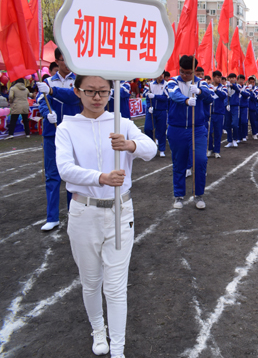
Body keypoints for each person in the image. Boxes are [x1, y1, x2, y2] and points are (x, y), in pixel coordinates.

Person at [55, 75, 156, 358]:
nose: (97, 97)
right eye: (90, 91)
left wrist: (130, 145)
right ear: (78, 92)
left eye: (103, 91)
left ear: (111, 92)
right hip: (84, 212)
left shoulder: (120, 123)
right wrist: (101, 177)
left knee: (115, 286)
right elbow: (64, 169)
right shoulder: (68, 127)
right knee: (91, 281)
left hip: (120, 212)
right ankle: (98, 329)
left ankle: (119, 349)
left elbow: (152, 149)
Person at [36, 47, 80, 231]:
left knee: (73, 174)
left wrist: (52, 91)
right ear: (57, 61)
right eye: (64, 59)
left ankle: (73, 213)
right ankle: (52, 217)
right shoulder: (46, 81)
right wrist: (47, 114)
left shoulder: (78, 80)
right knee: (52, 175)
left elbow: (74, 98)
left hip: (73, 132)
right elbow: (40, 101)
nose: (68, 63)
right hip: (52, 133)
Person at [166, 55, 214, 209]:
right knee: (179, 163)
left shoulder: (202, 83)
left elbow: (210, 98)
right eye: (183, 72)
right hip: (177, 129)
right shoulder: (172, 82)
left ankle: (198, 195)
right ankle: (178, 195)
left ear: (194, 71)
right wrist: (186, 100)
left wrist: (199, 91)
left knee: (200, 161)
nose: (185, 75)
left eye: (188, 72)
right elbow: (174, 94)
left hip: (197, 129)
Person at [143, 71, 169, 157]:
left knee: (161, 130)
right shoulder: (149, 84)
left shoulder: (166, 84)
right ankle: (151, 147)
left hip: (162, 110)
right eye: (159, 74)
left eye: (162, 74)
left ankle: (161, 149)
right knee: (147, 128)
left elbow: (166, 97)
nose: (161, 76)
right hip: (151, 110)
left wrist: (155, 96)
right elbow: (145, 95)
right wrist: (149, 106)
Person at [207, 70, 227, 158]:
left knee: (218, 132)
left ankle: (217, 151)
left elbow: (224, 96)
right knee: (209, 132)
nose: (219, 79)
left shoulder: (223, 87)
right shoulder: (208, 87)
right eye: (217, 77)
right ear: (213, 77)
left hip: (219, 113)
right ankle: (210, 149)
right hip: (210, 113)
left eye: (220, 77)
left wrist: (216, 90)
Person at [224, 73, 240, 148]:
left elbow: (238, 90)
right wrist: (226, 104)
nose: (231, 79)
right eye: (230, 78)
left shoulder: (237, 85)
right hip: (227, 107)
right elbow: (224, 96)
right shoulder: (225, 87)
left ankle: (235, 139)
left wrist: (231, 85)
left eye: (233, 78)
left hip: (235, 107)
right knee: (227, 124)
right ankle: (230, 141)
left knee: (235, 124)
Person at [239, 76, 254, 141]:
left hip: (244, 106)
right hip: (238, 106)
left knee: (244, 121)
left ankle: (244, 135)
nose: (241, 81)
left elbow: (247, 94)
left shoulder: (246, 87)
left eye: (242, 79)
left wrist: (241, 92)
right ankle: (239, 137)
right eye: (240, 79)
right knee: (238, 122)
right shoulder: (236, 86)